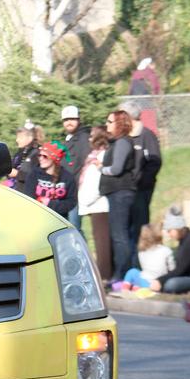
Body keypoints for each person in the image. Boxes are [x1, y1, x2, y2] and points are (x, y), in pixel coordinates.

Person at [121, 101, 162, 266]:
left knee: (139, 228)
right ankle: (128, 265)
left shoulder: (147, 136)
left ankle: (140, 264)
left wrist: (140, 181)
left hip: (141, 190)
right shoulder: (125, 137)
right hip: (125, 191)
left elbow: (155, 163)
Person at [98, 110, 137, 281]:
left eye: (109, 121)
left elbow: (116, 169)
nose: (106, 124)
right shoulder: (117, 142)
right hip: (116, 193)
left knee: (120, 236)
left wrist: (101, 168)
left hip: (121, 193)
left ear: (119, 124)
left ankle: (122, 275)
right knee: (120, 235)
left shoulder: (122, 142)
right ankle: (123, 273)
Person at [148, 208, 190, 294]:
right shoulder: (185, 240)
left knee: (171, 284)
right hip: (188, 278)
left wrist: (160, 281)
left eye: (170, 231)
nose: (169, 234)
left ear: (178, 228)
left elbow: (180, 270)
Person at [77, 126, 112, 281]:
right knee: (98, 239)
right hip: (92, 205)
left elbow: (99, 182)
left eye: (92, 136)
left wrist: (86, 199)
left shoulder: (103, 155)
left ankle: (104, 275)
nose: (89, 139)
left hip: (99, 204)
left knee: (102, 241)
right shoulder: (94, 155)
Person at [22, 141, 77, 217]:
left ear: (54, 158)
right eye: (39, 155)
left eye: (44, 156)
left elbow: (71, 202)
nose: (41, 158)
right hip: (37, 216)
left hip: (59, 219)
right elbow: (28, 197)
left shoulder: (67, 177)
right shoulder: (34, 174)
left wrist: (50, 204)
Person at [59, 105, 91, 230]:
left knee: (74, 229)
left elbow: (85, 165)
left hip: (76, 190)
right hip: (66, 190)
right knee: (68, 228)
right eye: (66, 120)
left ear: (78, 119)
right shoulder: (69, 139)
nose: (69, 122)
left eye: (72, 119)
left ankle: (82, 250)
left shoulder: (83, 138)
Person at [115, 224, 174, 290]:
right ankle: (138, 287)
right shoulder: (166, 250)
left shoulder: (141, 251)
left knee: (132, 271)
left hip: (144, 280)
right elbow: (172, 269)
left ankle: (126, 288)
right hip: (159, 282)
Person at [7, 124, 39, 192]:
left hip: (27, 193)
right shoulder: (19, 153)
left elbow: (37, 176)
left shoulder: (37, 154)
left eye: (20, 138)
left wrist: (17, 174)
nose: (17, 140)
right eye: (17, 137)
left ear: (30, 138)